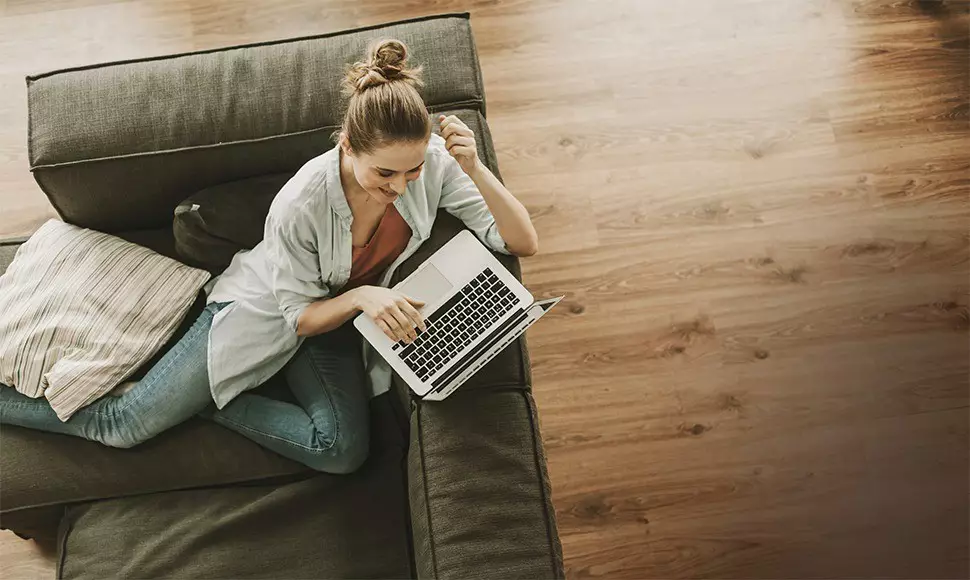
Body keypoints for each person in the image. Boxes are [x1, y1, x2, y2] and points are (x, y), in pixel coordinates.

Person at [0, 39, 538, 474]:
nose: (401, 187)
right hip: (267, 314)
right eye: (386, 173)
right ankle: (169, 396)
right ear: (347, 146)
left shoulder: (434, 163)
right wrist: (364, 296)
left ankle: (203, 404)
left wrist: (476, 170)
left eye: (413, 170)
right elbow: (298, 317)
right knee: (123, 424)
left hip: (336, 323)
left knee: (343, 451)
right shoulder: (301, 203)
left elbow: (521, 242)